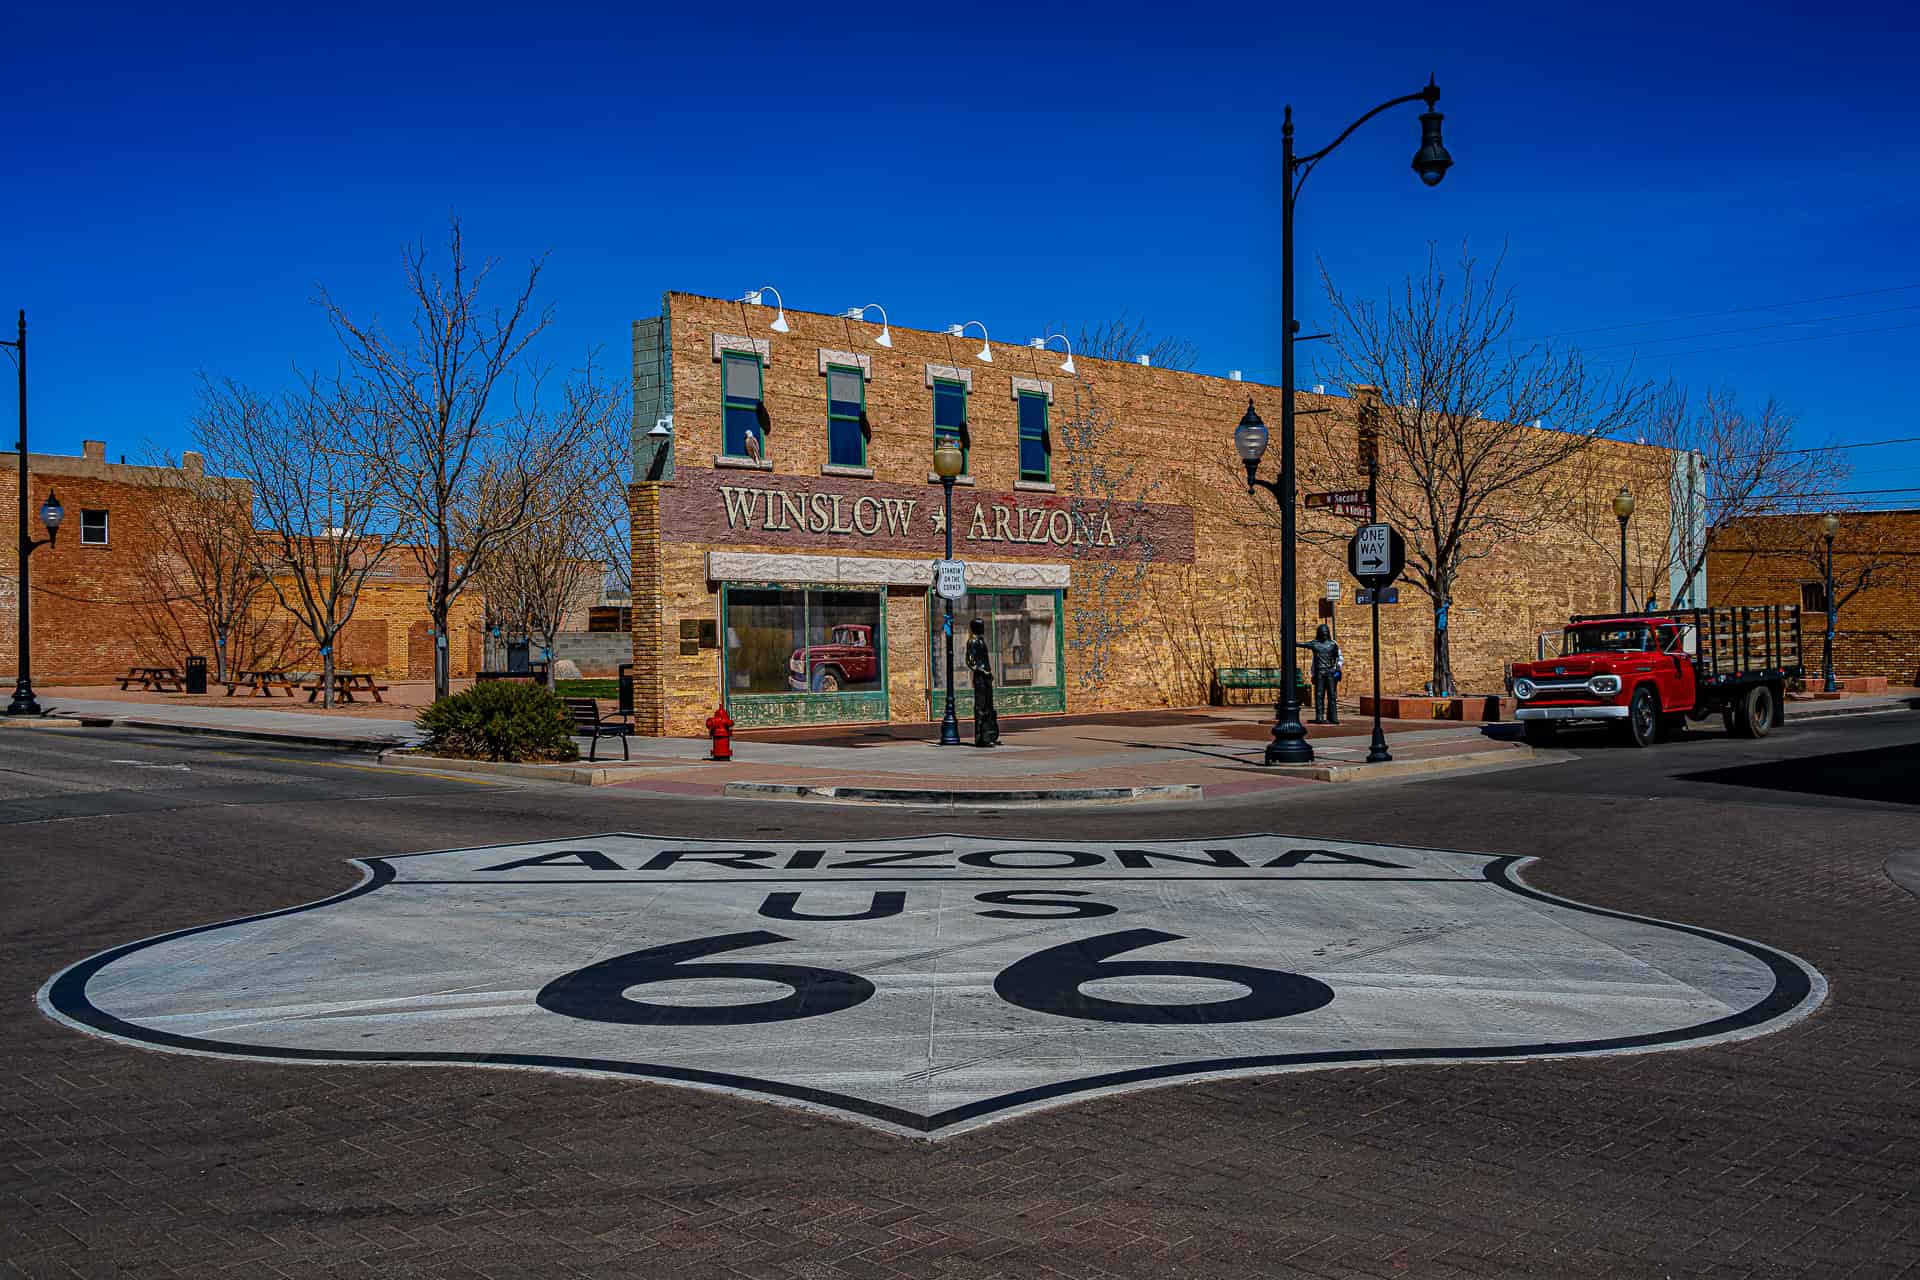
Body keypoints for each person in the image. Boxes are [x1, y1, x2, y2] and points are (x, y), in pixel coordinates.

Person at [965, 617, 1000, 747]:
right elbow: (970, 662)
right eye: (981, 626)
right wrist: (983, 671)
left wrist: (989, 673)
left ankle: (990, 734)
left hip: (986, 677)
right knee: (981, 707)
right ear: (976, 627)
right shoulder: (972, 641)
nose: (984, 628)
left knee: (989, 706)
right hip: (980, 678)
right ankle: (980, 738)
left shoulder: (981, 640)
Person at [1303, 622, 1341, 725]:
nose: (1324, 635)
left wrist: (1335, 668)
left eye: (1326, 633)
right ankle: (1319, 716)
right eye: (1322, 633)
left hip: (1329, 672)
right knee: (1319, 695)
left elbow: (1337, 657)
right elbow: (1302, 644)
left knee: (1331, 695)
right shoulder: (1315, 644)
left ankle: (1333, 717)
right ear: (1319, 633)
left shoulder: (1333, 644)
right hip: (1320, 673)